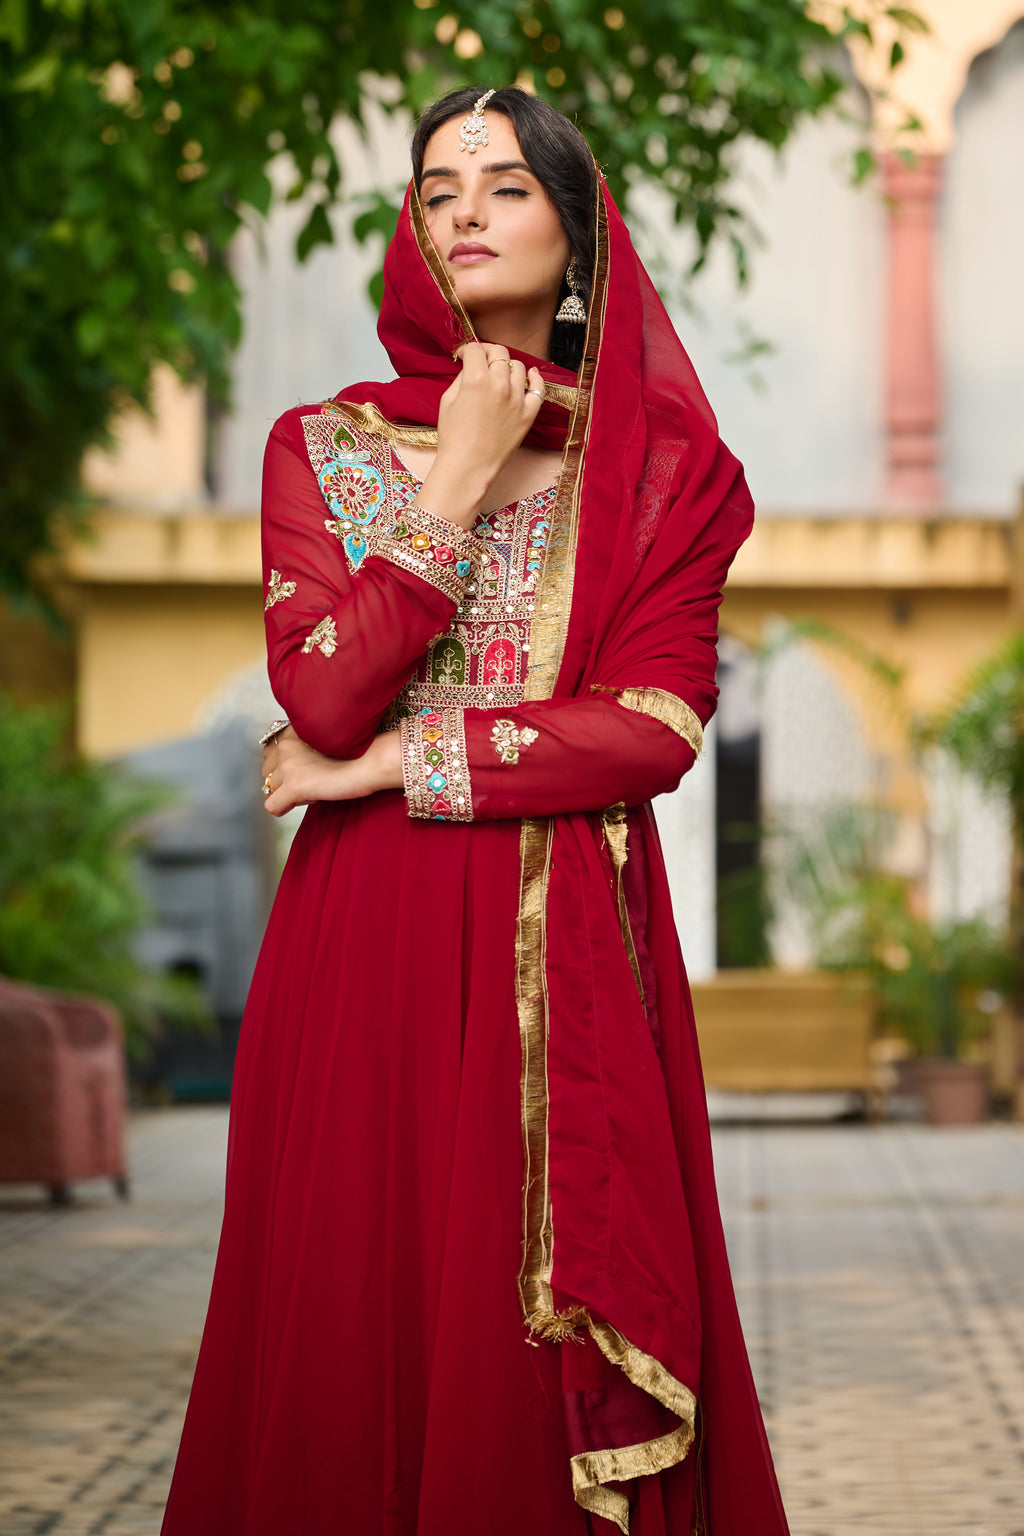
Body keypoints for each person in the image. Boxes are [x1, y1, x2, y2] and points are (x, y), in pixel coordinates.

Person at [160, 86, 790, 1536]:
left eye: (504, 187)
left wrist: (389, 767)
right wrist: (444, 483)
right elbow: (318, 699)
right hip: (360, 956)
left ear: (578, 234)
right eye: (439, 190)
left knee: (534, 1341)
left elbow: (646, 735)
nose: (463, 214)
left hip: (564, 957)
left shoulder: (667, 483)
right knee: (354, 1314)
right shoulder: (322, 452)